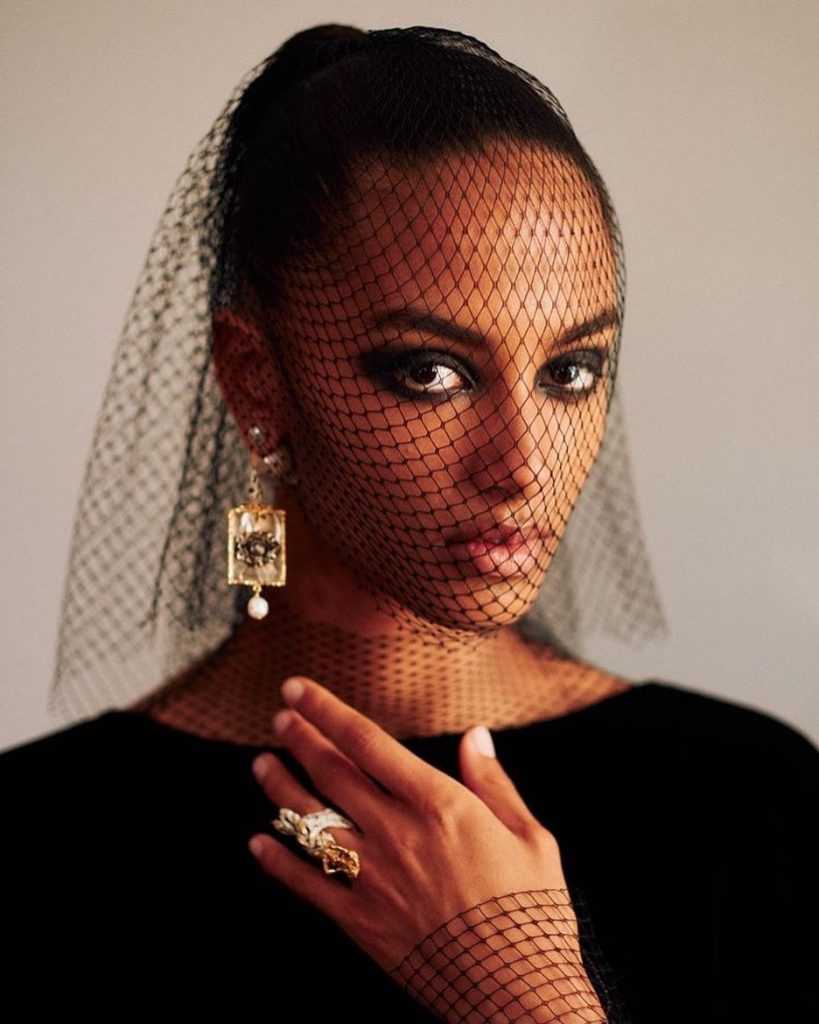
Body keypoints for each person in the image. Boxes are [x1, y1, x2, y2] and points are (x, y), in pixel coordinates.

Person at [2, 23, 816, 1023]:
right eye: (431, 372)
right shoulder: (41, 842)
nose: (521, 466)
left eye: (570, 371)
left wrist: (527, 1000)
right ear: (255, 375)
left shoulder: (748, 801)